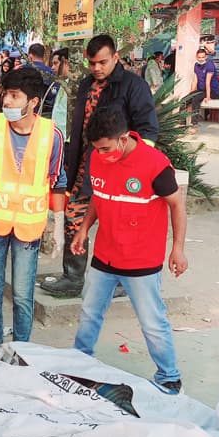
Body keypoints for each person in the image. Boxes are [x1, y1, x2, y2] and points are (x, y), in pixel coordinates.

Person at [71, 107, 188, 395]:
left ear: (124, 139)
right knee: (89, 312)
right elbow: (100, 196)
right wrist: (85, 228)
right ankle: (77, 362)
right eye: (97, 149)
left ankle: (169, 376)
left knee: (152, 321)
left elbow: (177, 205)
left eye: (107, 148)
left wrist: (178, 249)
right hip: (105, 254)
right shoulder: (98, 158)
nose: (102, 154)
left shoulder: (155, 165)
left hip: (141, 260)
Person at [41, 34, 158, 298]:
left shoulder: (133, 86)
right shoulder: (84, 85)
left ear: (115, 57)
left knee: (116, 223)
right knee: (74, 216)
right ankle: (73, 277)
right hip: (85, 166)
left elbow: (149, 129)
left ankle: (121, 281)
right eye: (92, 62)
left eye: (102, 62)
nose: (97, 68)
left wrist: (134, 163)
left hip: (121, 167)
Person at [0, 67, 67, 356]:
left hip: (29, 228)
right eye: (5, 95)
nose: (7, 102)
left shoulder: (53, 135)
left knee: (24, 295)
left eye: (14, 96)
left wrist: (59, 224)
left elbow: (57, 182)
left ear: (33, 101)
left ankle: (22, 351)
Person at [189, 48, 218, 125]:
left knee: (195, 99)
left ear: (206, 57)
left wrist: (208, 96)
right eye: (199, 57)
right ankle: (181, 123)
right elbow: (195, 81)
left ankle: (194, 123)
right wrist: (191, 93)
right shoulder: (196, 65)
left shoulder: (210, 65)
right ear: (196, 57)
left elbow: (207, 82)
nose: (201, 59)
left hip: (211, 91)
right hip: (201, 90)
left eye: (203, 57)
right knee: (185, 100)